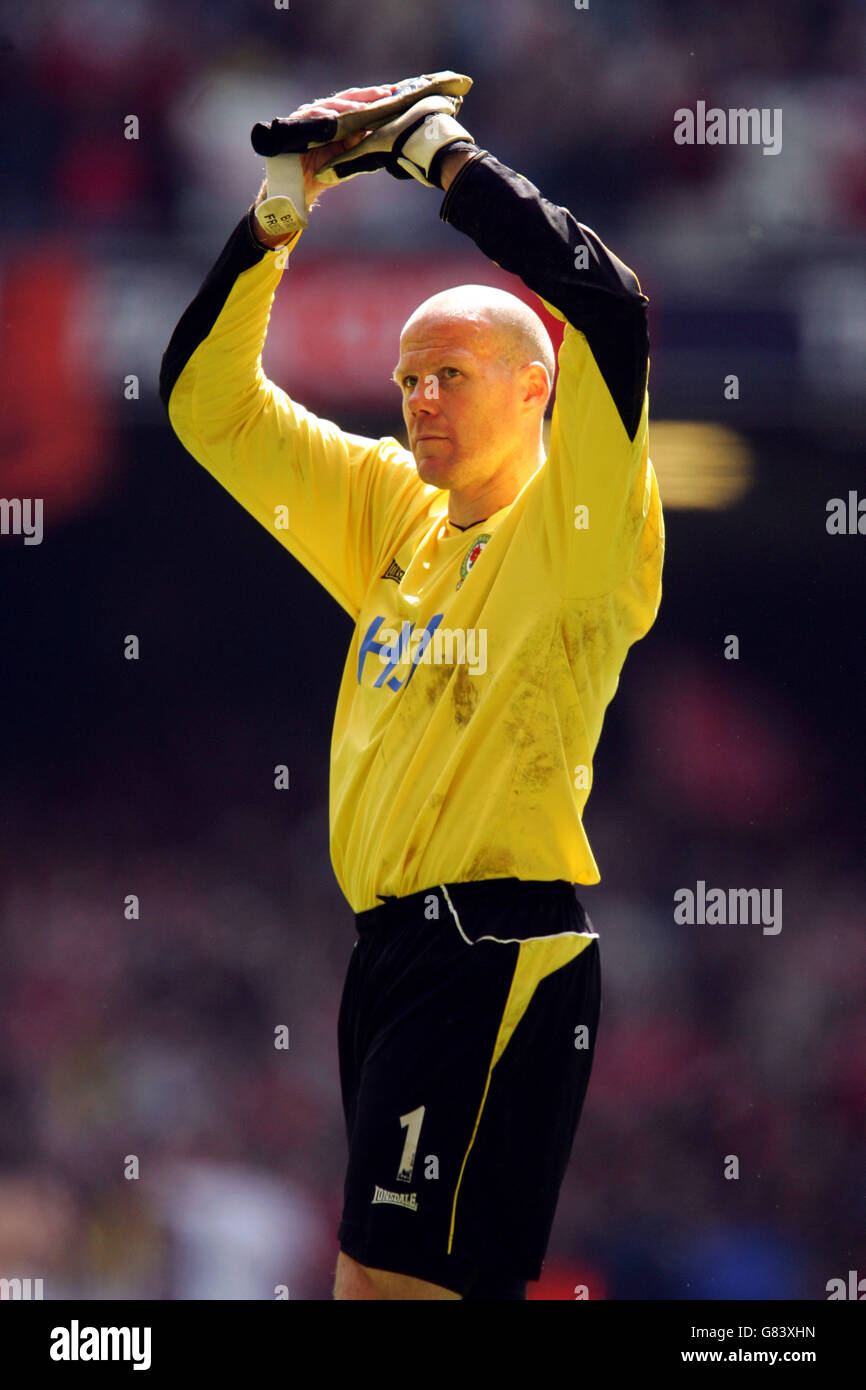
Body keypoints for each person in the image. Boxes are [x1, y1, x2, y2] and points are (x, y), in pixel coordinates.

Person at [159, 82, 664, 1301]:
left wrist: (438, 156)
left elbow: (609, 303)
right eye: (404, 381)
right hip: (391, 953)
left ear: (534, 386)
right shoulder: (399, 510)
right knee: (385, 1289)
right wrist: (282, 211)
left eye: (448, 374)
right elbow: (202, 406)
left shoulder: (584, 522)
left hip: (495, 945)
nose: (417, 401)